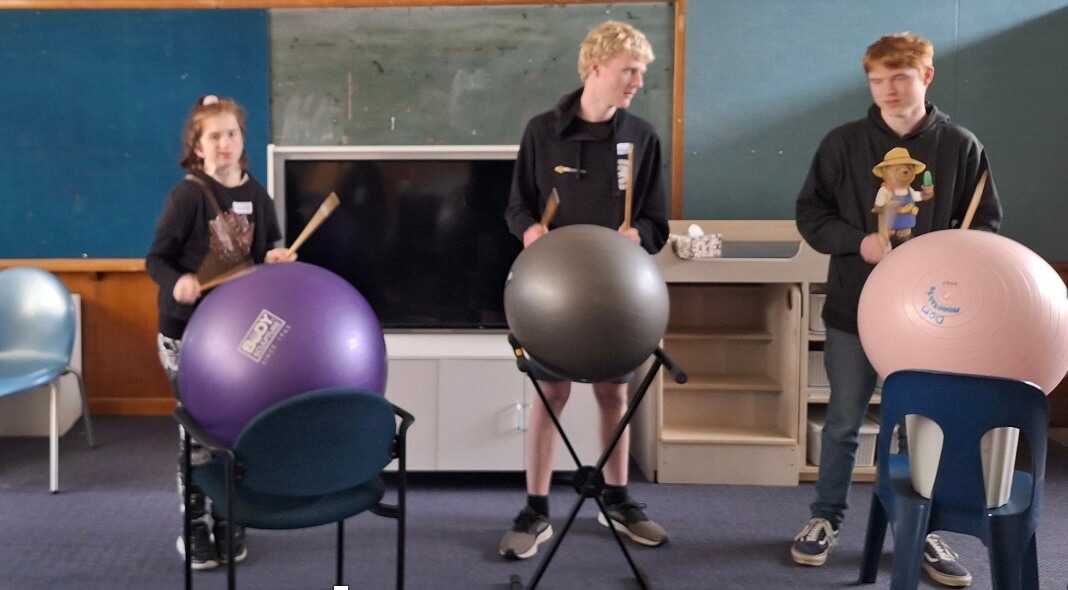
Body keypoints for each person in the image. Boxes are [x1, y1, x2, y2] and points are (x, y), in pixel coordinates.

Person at [793, 32, 1002, 588]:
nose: (888, 90)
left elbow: (985, 225)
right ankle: (824, 518)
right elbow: (810, 215)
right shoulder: (841, 143)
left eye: (900, 78)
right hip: (854, 309)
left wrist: (944, 256)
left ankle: (920, 527)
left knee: (916, 426)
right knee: (843, 423)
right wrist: (858, 242)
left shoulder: (960, 145)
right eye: (877, 80)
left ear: (926, 77)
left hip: (929, 317)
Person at [500, 20, 670, 560]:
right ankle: (535, 507)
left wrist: (636, 234)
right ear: (596, 68)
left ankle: (617, 500)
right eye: (629, 71)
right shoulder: (541, 132)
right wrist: (530, 231)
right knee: (549, 395)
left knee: (613, 393)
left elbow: (657, 222)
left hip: (614, 298)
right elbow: (516, 207)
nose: (638, 81)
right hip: (553, 298)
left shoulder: (641, 138)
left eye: (642, 72)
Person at [146, 95, 297, 571]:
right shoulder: (188, 195)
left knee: (236, 429)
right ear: (197, 145)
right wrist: (180, 281)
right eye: (214, 136)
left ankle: (230, 517)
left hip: (236, 337)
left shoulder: (258, 195)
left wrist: (275, 259)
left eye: (232, 133)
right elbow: (157, 259)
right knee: (197, 433)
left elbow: (267, 251)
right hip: (187, 334)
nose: (225, 143)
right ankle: (192, 526)